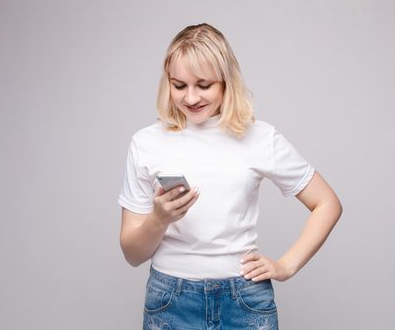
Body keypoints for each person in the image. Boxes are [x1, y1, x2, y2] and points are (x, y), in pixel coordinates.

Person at [118, 23, 342, 330]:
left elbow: (327, 203)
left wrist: (286, 266)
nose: (191, 97)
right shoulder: (146, 143)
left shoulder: (260, 138)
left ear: (226, 82)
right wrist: (159, 218)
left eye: (204, 85)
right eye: (179, 85)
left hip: (245, 300)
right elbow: (132, 254)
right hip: (171, 301)